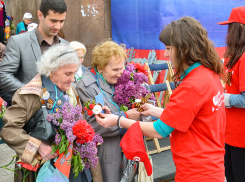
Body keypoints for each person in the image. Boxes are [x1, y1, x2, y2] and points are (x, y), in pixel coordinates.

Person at [95, 17, 226, 182]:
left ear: (184, 48)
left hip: (196, 171)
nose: (165, 54)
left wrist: (118, 120)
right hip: (210, 165)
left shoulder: (192, 86)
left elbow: (159, 130)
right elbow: (191, 117)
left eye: (169, 48)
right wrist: (155, 110)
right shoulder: (208, 74)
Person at [0, 44, 102, 182]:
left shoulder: (72, 90)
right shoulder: (30, 94)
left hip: (73, 167)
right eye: (68, 74)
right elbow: (9, 130)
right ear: (51, 70)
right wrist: (38, 147)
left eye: (74, 73)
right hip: (43, 169)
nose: (73, 79)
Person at [76, 40, 141, 182]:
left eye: (121, 68)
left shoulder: (121, 81)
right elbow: (94, 124)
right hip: (107, 151)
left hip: (128, 148)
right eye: (115, 69)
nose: (120, 73)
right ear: (100, 67)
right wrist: (125, 116)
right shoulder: (86, 86)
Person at [0, 0, 69, 105]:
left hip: (61, 113)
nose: (58, 27)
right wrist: (30, 93)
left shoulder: (66, 45)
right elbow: (3, 75)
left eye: (61, 21)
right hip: (29, 113)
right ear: (40, 15)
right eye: (53, 21)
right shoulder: (18, 42)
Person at [218, 6, 245, 182]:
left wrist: (225, 99)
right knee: (231, 176)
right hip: (228, 133)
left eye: (230, 28)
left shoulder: (244, 59)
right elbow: (228, 83)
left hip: (242, 137)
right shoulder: (231, 57)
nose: (227, 34)